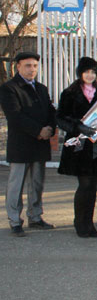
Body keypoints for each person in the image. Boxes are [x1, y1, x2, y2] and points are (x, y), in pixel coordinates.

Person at [0, 52, 56, 236]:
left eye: (34, 66)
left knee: (37, 183)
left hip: (40, 144)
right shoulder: (9, 88)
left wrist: (50, 128)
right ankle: (15, 220)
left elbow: (50, 111)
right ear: (18, 66)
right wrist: (38, 131)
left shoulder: (41, 88)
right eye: (27, 66)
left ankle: (35, 217)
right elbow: (15, 116)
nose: (32, 69)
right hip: (21, 144)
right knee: (16, 185)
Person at [56, 57, 97, 237]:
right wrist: (77, 126)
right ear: (80, 73)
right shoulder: (69, 93)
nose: (90, 75)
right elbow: (61, 119)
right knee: (84, 184)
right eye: (87, 71)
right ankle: (80, 222)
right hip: (78, 145)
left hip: (96, 146)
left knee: (92, 185)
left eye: (93, 72)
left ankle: (89, 221)